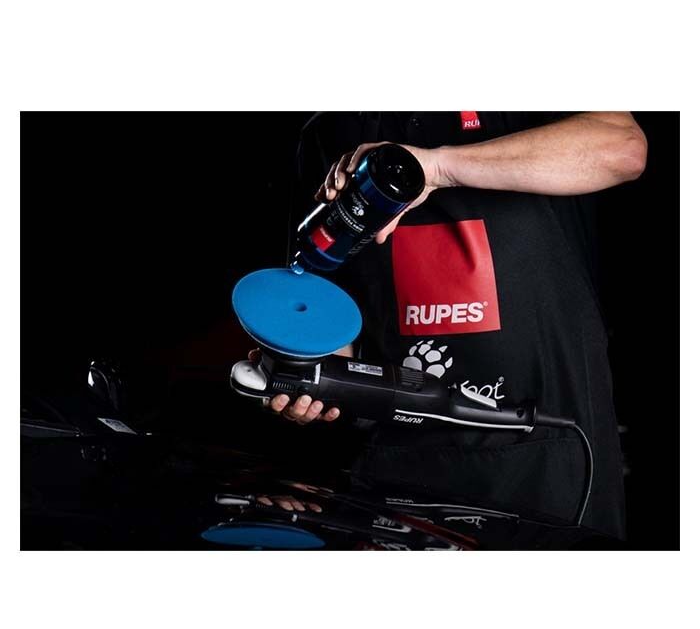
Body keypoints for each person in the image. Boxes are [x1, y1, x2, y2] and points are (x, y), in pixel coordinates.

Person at [258, 112, 647, 540]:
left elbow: (622, 148)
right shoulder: (329, 131)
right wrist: (311, 378)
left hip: (551, 465)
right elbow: (327, 309)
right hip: (394, 474)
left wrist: (435, 168)